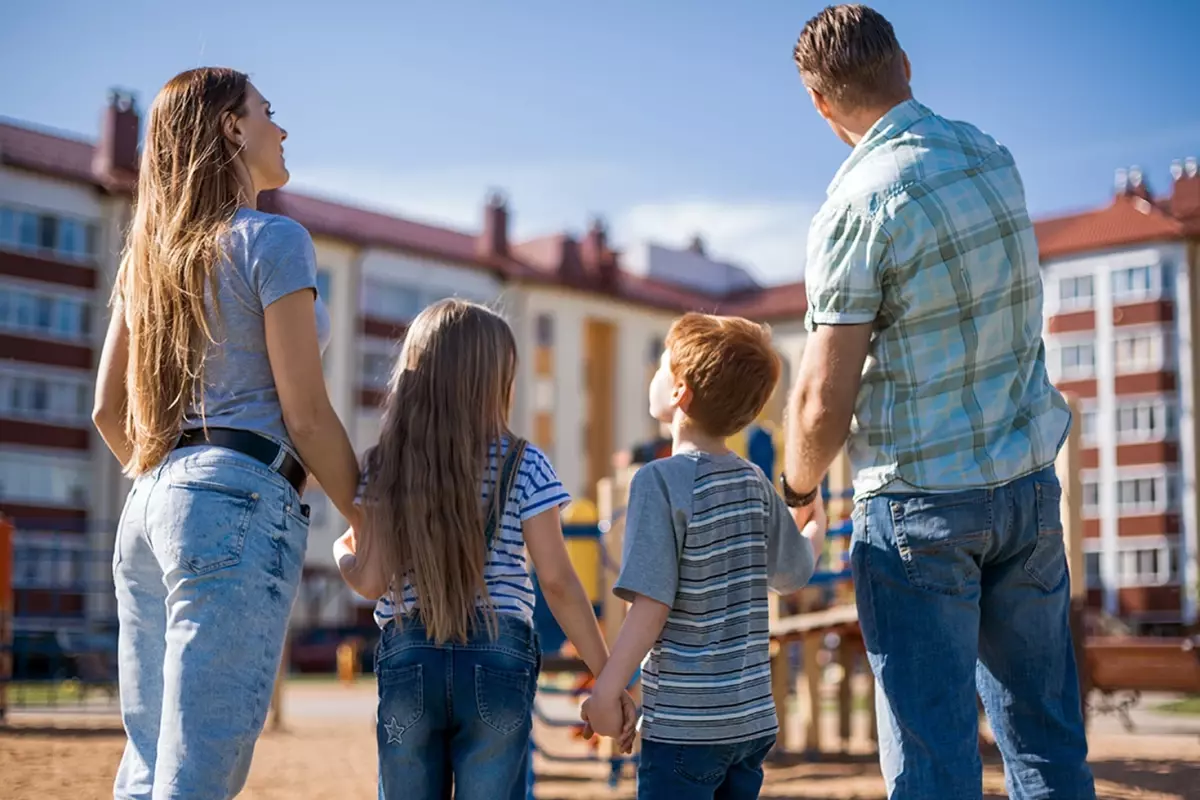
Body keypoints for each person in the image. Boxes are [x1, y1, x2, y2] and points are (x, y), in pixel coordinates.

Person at [782, 6, 1096, 798]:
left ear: (820, 106)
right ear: (906, 64)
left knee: (931, 759)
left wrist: (799, 487)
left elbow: (824, 395)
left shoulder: (855, 206)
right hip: (1027, 487)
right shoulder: (991, 158)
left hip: (920, 503)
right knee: (1047, 740)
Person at [92, 68, 362, 798]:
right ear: (232, 129)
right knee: (197, 776)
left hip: (148, 508)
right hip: (237, 503)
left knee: (146, 766)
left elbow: (109, 415)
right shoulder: (274, 240)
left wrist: (176, 484)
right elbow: (306, 415)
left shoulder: (147, 259)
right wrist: (371, 516)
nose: (282, 126)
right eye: (268, 112)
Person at [332, 299, 635, 799]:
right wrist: (607, 677)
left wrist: (346, 549)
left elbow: (369, 581)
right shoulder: (525, 463)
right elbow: (557, 582)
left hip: (410, 661)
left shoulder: (388, 465)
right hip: (499, 660)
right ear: (498, 382)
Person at [582, 313, 819, 800]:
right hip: (750, 721)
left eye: (661, 366)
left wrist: (609, 689)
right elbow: (794, 573)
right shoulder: (754, 482)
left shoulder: (659, 482)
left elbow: (651, 605)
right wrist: (812, 531)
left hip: (688, 729)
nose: (654, 374)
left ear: (679, 393)